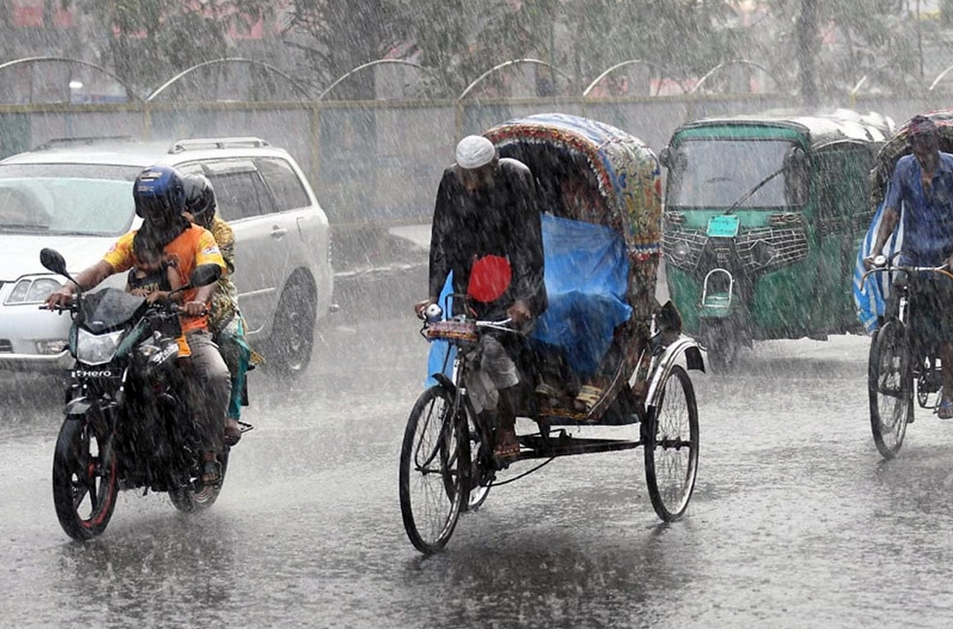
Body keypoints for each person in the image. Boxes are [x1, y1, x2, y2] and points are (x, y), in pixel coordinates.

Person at [46, 165, 231, 482]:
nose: (153, 212)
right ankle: (118, 439)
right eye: (146, 206)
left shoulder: (200, 237)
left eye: (158, 205)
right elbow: (102, 269)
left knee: (215, 374)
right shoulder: (134, 241)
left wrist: (198, 298)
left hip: (186, 329)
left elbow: (212, 268)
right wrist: (69, 288)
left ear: (174, 203)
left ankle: (208, 453)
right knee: (94, 372)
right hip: (140, 331)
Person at [414, 135, 546, 462]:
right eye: (465, 177)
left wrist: (525, 299)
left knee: (493, 349)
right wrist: (431, 294)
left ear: (493, 167)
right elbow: (441, 241)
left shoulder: (516, 177)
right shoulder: (450, 181)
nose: (471, 186)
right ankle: (481, 422)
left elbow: (530, 245)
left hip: (514, 284)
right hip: (470, 283)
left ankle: (505, 426)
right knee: (465, 350)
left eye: (478, 177)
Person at [868, 115, 953, 418]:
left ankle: (948, 391)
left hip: (945, 258)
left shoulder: (951, 168)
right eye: (917, 143)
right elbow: (891, 213)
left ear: (936, 141)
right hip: (913, 256)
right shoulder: (904, 169)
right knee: (898, 303)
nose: (923, 148)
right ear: (912, 145)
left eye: (928, 141)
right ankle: (903, 356)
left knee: (945, 328)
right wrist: (876, 250)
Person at [181, 173, 256, 446]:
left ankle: (231, 414)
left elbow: (215, 269)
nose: (185, 215)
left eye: (191, 210)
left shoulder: (221, 232)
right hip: (176, 298)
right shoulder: (165, 230)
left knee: (233, 343)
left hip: (216, 298)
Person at [126, 229, 181, 301]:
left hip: (164, 310)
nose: (146, 266)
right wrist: (132, 293)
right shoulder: (133, 276)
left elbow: (179, 294)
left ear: (161, 256)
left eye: (150, 261)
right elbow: (125, 296)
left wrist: (159, 294)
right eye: (141, 261)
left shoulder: (168, 271)